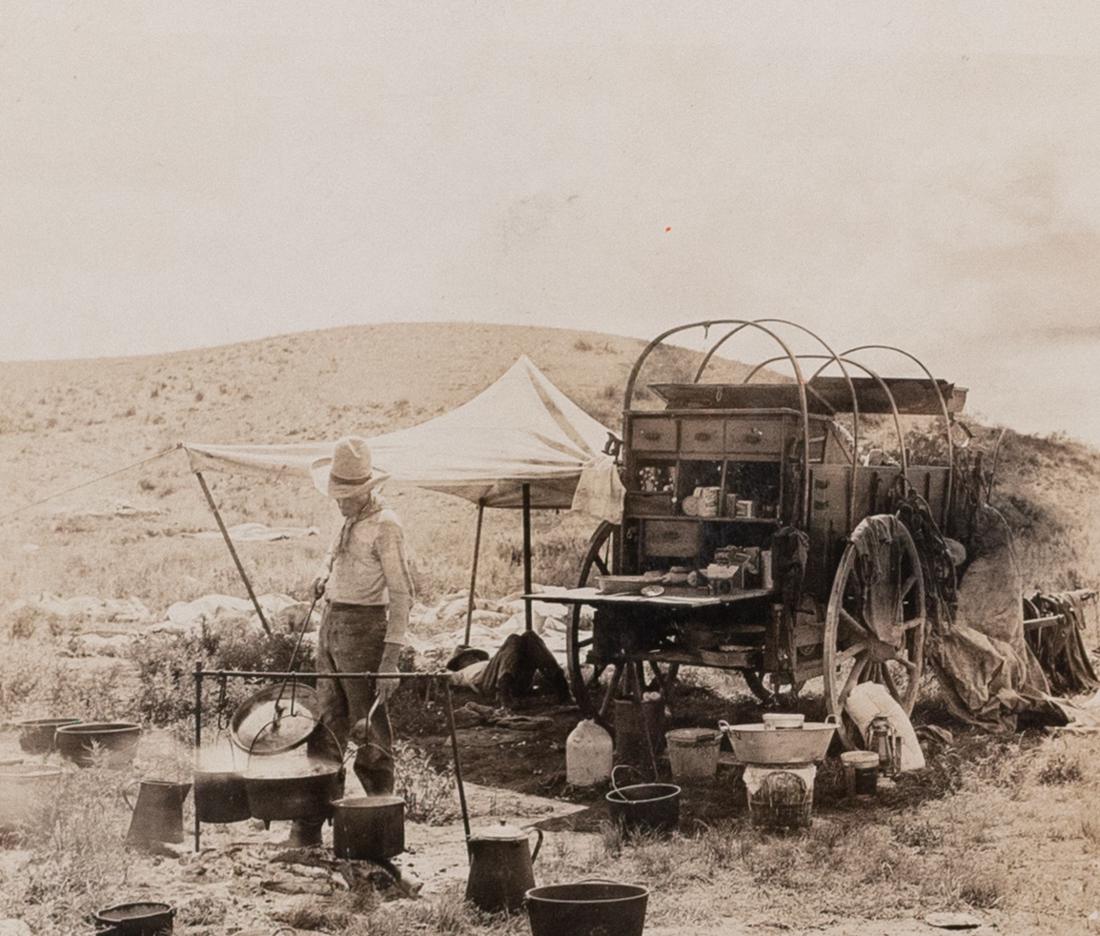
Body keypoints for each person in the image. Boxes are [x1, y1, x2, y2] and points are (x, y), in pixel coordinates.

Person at [289, 436, 415, 846]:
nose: (340, 502)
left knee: (371, 731)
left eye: (348, 495)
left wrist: (390, 658)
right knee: (326, 726)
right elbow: (334, 557)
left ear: (367, 490)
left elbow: (401, 593)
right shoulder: (348, 520)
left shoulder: (386, 524)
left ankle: (381, 828)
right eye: (337, 494)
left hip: (365, 631)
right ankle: (310, 824)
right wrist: (323, 575)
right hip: (331, 624)